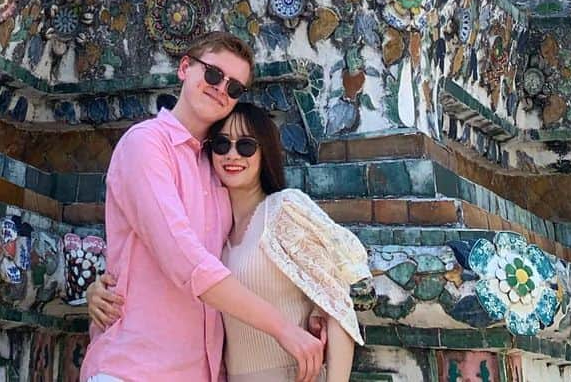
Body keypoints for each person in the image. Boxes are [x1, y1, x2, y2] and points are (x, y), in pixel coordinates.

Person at [80, 32, 326, 382]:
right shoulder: (146, 145)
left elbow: (245, 256)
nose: (220, 88)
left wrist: (313, 304)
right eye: (213, 74)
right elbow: (184, 259)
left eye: (234, 87)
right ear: (185, 68)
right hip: (134, 368)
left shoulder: (218, 166)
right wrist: (283, 328)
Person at [89, 100, 369, 382]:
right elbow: (169, 256)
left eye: (246, 145)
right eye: (222, 144)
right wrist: (100, 288)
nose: (232, 155)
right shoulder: (216, 233)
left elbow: (339, 309)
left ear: (265, 153)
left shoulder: (285, 209)